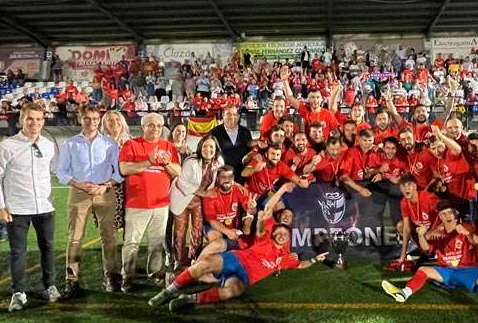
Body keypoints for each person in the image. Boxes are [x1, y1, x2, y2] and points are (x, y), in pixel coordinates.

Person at [148, 209, 328, 312]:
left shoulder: (284, 258)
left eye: (284, 234)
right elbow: (259, 229)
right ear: (273, 234)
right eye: (278, 233)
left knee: (231, 292)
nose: (281, 235)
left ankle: (187, 300)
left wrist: (315, 259)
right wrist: (259, 218)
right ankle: (166, 293)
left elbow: (301, 265)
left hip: (243, 276)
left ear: (288, 238)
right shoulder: (263, 239)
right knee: (203, 265)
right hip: (234, 260)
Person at [381, 202, 478, 323]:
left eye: (448, 213)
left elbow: (477, 242)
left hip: (469, 271)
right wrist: (421, 235)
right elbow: (426, 249)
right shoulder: (438, 233)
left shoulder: (466, 227)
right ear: (440, 217)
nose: (446, 216)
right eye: (443, 214)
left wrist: (466, 233)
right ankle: (403, 293)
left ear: (455, 214)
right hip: (447, 272)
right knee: (423, 270)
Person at [0, 102, 59, 312]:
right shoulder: (7, 146)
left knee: (48, 248)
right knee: (18, 252)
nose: (34, 123)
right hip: (17, 209)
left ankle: (50, 286)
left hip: (45, 208)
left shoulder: (48, 145)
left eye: (38, 119)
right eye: (30, 119)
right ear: (21, 120)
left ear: (43, 121)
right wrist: (1, 206)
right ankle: (18, 292)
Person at [56, 104, 123, 297]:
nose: (92, 122)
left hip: (105, 193)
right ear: (80, 118)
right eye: (87, 119)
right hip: (79, 193)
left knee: (109, 237)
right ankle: (72, 281)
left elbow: (118, 174)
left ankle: (112, 278)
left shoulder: (109, 143)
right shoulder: (70, 143)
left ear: (99, 119)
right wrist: (79, 184)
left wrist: (105, 186)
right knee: (75, 238)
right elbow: (61, 172)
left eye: (95, 119)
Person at [118, 113, 181, 292]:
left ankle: (154, 273)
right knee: (131, 243)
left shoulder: (168, 146)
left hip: (161, 205)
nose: (155, 129)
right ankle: (127, 277)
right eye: (151, 125)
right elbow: (124, 169)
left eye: (159, 126)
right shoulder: (132, 144)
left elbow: (178, 171)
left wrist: (166, 163)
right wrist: (149, 161)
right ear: (143, 126)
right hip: (136, 204)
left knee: (156, 242)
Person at [169, 135, 224, 270]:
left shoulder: (219, 162)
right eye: (205, 146)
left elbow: (221, 180)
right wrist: (203, 193)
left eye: (211, 146)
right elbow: (182, 183)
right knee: (180, 231)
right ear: (200, 147)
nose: (208, 149)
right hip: (182, 198)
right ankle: (179, 260)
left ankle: (196, 258)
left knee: (197, 230)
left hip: (199, 201)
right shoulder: (191, 161)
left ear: (216, 148)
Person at [210, 104, 252, 183]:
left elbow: (250, 151)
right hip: (222, 177)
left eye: (234, 114)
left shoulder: (245, 132)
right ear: (223, 115)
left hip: (242, 176)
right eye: (228, 114)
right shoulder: (214, 133)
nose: (232, 117)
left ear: (238, 116)